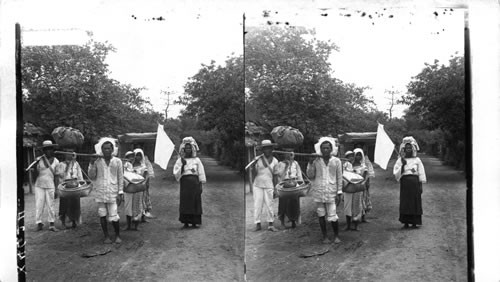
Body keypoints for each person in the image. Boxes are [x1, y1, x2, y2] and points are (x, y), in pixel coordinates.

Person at [307, 137, 342, 244]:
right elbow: (310, 175)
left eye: (327, 148)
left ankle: (336, 236)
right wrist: (310, 163)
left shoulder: (336, 161)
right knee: (321, 214)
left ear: (331, 149)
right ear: (320, 149)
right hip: (319, 191)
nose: (325, 150)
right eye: (323, 148)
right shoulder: (316, 160)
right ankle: (325, 236)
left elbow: (339, 177)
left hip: (331, 191)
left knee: (333, 214)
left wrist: (339, 192)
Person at [88, 139, 124, 244]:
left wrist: (120, 192)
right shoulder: (97, 161)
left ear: (112, 149)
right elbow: (91, 176)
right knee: (102, 214)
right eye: (104, 149)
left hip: (113, 191)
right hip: (101, 191)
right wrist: (91, 163)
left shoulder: (117, 161)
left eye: (109, 148)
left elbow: (120, 177)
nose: (107, 150)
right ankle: (106, 236)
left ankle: (117, 235)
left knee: (114, 215)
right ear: (101, 150)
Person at [393, 137, 427, 229]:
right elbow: (396, 172)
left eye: (410, 148)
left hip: (415, 183)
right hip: (405, 184)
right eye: (406, 148)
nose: (408, 149)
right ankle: (406, 222)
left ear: (413, 149)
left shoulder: (417, 160)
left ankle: (415, 222)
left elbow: (421, 173)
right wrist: (403, 165)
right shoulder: (400, 160)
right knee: (405, 202)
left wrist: (420, 185)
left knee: (415, 202)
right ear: (404, 149)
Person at [173, 137, 206, 228]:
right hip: (185, 184)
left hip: (195, 183)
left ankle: (195, 222)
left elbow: (201, 172)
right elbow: (176, 172)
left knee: (195, 201)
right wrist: (183, 165)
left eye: (189, 148)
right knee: (185, 202)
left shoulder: (197, 160)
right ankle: (186, 222)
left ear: (192, 149)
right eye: (186, 148)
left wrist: (201, 184)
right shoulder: (180, 160)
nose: (188, 150)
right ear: (183, 149)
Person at [251, 140, 279, 232]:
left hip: (269, 185)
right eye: (265, 148)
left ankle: (271, 224)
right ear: (263, 150)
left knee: (270, 204)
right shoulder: (258, 159)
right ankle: (257, 224)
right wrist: (253, 165)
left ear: (271, 149)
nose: (267, 150)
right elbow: (254, 173)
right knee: (257, 205)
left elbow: (275, 176)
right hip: (257, 184)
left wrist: (275, 188)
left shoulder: (275, 161)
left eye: (269, 148)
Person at [34, 140, 60, 232]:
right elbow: (35, 174)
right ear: (44, 150)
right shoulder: (39, 160)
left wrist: (57, 189)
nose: (48, 151)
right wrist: (35, 165)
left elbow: (56, 176)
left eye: (50, 149)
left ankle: (52, 224)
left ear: (53, 150)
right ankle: (39, 223)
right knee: (39, 204)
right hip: (39, 185)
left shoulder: (56, 161)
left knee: (51, 204)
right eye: (46, 149)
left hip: (50, 185)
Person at [275, 148, 303, 229]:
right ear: (284, 155)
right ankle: (282, 222)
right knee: (283, 203)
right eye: (288, 153)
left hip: (294, 184)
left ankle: (293, 220)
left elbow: (299, 174)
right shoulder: (281, 164)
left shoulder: (296, 163)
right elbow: (279, 175)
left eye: (292, 154)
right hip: (284, 185)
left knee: (294, 203)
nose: (291, 155)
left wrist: (300, 184)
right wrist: (286, 166)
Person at [55, 148, 84, 229]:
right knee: (64, 204)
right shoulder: (60, 164)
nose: (70, 154)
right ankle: (63, 221)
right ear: (64, 154)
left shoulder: (76, 164)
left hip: (74, 186)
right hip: (65, 186)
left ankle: (74, 221)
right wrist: (57, 188)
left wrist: (80, 184)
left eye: (71, 153)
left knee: (75, 204)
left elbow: (79, 175)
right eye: (68, 153)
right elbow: (60, 176)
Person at [343, 148, 368, 231]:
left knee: (356, 207)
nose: (350, 158)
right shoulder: (344, 165)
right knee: (347, 207)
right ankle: (348, 225)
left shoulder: (361, 168)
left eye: (351, 156)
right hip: (347, 188)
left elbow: (363, 178)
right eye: (348, 156)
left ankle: (356, 225)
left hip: (357, 189)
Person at [123, 150, 147, 231]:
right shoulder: (125, 166)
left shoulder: (142, 167)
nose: (131, 158)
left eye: (132, 156)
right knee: (128, 207)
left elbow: (144, 178)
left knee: (137, 206)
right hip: (128, 188)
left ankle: (136, 226)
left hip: (137, 188)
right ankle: (128, 225)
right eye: (129, 157)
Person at [133, 143, 155, 219]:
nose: (138, 157)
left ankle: (145, 213)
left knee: (145, 198)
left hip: (143, 184)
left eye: (139, 155)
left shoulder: (145, 160)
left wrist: (147, 181)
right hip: (135, 185)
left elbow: (148, 171)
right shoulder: (131, 164)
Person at [354, 143, 374, 223]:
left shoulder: (365, 160)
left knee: (364, 200)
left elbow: (368, 172)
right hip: (354, 185)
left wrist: (367, 182)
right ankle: (355, 217)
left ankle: (363, 217)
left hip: (363, 184)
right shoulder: (351, 163)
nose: (358, 156)